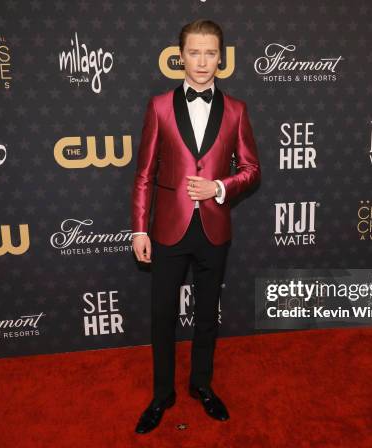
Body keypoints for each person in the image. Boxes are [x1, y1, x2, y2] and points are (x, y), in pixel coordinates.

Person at [131, 18, 261, 434]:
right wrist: (138, 229)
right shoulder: (158, 106)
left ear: (220, 59)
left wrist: (220, 186)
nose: (202, 61)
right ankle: (162, 393)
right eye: (194, 52)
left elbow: (253, 170)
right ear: (180, 56)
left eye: (210, 53)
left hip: (214, 228)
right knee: (162, 315)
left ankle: (202, 385)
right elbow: (144, 174)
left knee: (208, 314)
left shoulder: (237, 110)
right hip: (167, 228)